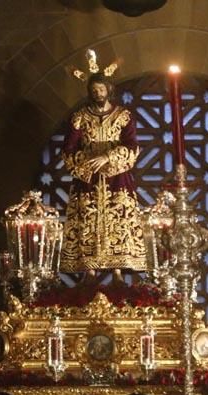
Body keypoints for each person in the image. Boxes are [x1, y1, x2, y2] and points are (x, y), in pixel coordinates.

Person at [60, 62, 146, 275]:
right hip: (87, 180)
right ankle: (89, 272)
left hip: (116, 178)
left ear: (109, 89)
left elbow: (132, 146)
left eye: (101, 89)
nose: (98, 93)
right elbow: (68, 149)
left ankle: (117, 271)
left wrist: (108, 157)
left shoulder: (122, 116)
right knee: (86, 223)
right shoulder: (80, 118)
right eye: (94, 90)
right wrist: (88, 162)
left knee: (119, 222)